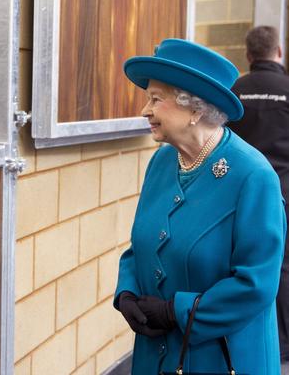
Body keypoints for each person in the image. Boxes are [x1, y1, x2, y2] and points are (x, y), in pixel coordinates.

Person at [114, 38, 286, 373]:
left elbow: (256, 285)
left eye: (155, 99)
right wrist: (127, 292)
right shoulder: (163, 162)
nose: (145, 110)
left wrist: (177, 311)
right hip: (156, 352)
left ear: (194, 109)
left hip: (221, 357)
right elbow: (141, 246)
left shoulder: (253, 177)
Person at [227, 25, 289, 370]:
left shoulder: (234, 92)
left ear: (249, 56)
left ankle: (249, 340)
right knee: (283, 268)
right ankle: (282, 347)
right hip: (285, 193)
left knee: (246, 268)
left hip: (242, 198)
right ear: (278, 52)